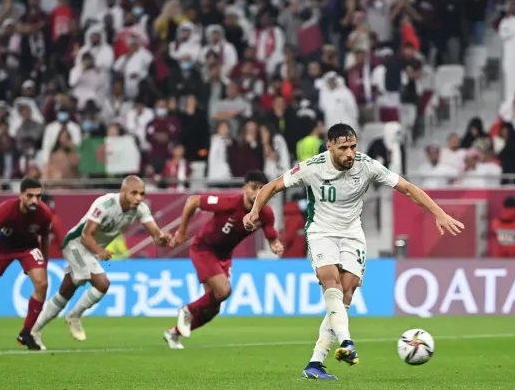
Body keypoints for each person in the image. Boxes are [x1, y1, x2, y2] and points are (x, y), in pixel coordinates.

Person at [242, 124, 464, 380]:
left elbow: (406, 188)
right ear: (330, 147)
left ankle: (315, 363)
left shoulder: (366, 164)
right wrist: (255, 211)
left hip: (352, 234)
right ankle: (347, 342)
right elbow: (271, 186)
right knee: (330, 281)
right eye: (343, 148)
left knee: (346, 292)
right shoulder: (313, 167)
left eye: (353, 146)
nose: (350, 153)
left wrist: (439, 212)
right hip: (321, 232)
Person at [30, 176, 171, 350]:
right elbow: (86, 235)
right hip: (76, 244)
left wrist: (163, 238)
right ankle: (74, 315)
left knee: (65, 292)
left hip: (91, 252)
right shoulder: (105, 204)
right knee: (102, 283)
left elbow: (156, 235)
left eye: (142, 194)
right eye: (134, 193)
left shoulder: (140, 209)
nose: (139, 198)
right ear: (123, 192)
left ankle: (34, 331)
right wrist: (100, 251)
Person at [163, 171, 284, 349]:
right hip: (204, 249)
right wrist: (182, 231)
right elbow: (193, 201)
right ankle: (188, 310)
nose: (257, 192)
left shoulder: (265, 213)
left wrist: (275, 244)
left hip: (224, 256)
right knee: (223, 291)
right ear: (245, 188)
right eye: (253, 187)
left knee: (214, 307)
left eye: (261, 188)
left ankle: (174, 333)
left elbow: (271, 233)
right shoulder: (230, 203)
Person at [0, 177, 53, 351]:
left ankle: (25, 333)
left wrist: (44, 264)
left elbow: (45, 239)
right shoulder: (5, 210)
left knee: (42, 284)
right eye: (30, 196)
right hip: (1, 250)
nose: (35, 200)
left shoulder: (45, 214)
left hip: (28, 248)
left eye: (38, 196)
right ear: (21, 195)